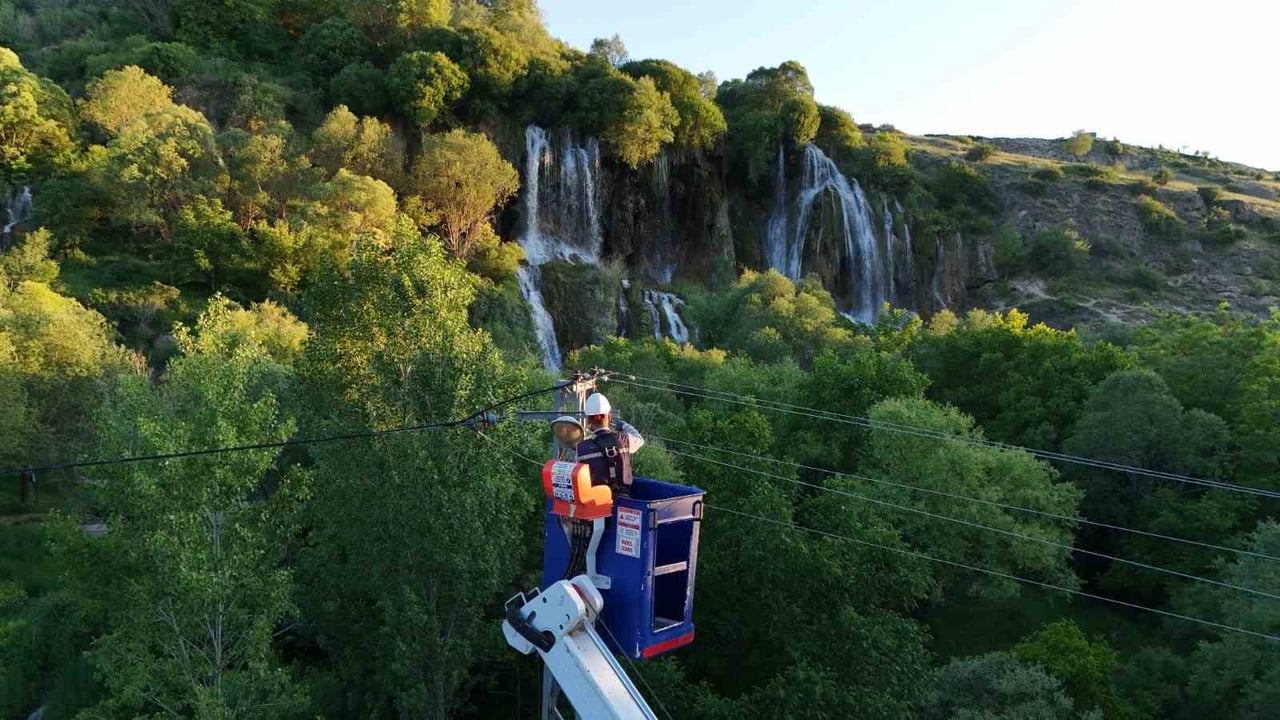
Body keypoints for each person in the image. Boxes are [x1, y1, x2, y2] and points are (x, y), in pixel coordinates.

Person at [575, 392, 644, 496]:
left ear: (589, 419)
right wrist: (624, 425)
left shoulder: (581, 448)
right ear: (609, 416)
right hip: (624, 499)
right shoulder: (625, 440)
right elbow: (640, 440)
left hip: (597, 502)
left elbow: (578, 477)